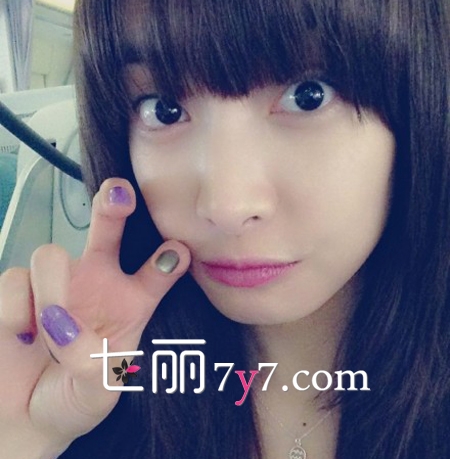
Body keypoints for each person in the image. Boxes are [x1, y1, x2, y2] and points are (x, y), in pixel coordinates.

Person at [1, 0, 449, 458]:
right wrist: (25, 437)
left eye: (308, 95)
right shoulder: (106, 380)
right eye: (165, 109)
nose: (226, 207)